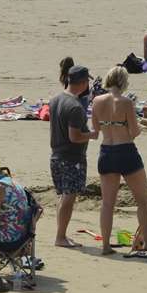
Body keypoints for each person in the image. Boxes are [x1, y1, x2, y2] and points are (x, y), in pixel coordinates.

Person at [89, 67, 147, 256]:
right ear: (123, 82)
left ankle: (105, 245)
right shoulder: (126, 102)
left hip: (106, 151)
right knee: (143, 200)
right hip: (125, 150)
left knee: (107, 203)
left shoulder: (96, 101)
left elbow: (95, 129)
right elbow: (134, 132)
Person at [47, 65, 93, 248]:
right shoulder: (75, 106)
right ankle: (60, 237)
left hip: (57, 155)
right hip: (70, 158)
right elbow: (75, 137)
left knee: (64, 196)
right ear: (83, 83)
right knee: (68, 196)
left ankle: (62, 234)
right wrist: (92, 134)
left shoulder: (56, 99)